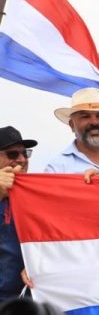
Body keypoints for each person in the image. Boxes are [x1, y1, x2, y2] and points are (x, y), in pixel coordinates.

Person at [0, 126, 36, 300]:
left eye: (25, 153)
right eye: (12, 154)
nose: (22, 160)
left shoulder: (38, 194)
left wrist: (94, 183)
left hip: (29, 302)